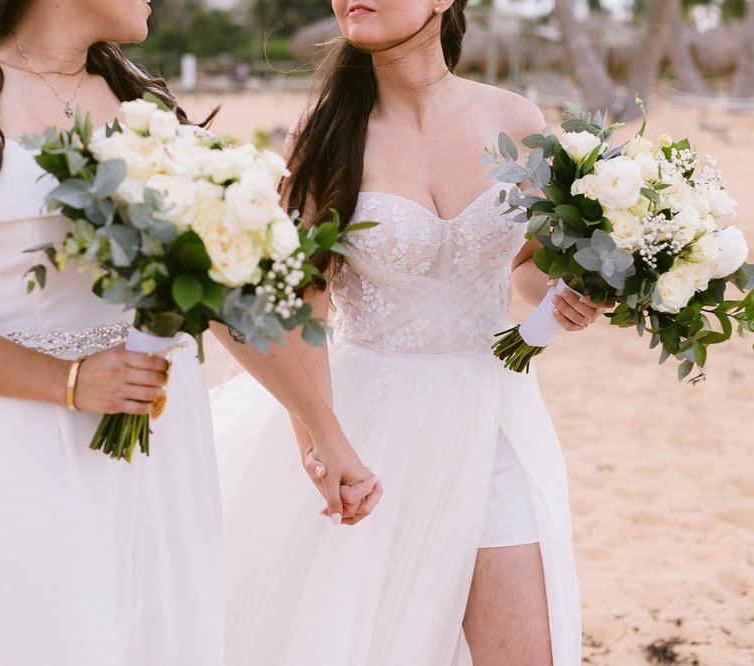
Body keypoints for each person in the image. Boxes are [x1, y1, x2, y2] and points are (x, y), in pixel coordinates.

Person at [0, 0, 377, 663]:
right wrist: (70, 381)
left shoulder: (140, 103)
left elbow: (217, 301)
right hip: (23, 452)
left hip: (165, 449)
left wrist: (322, 429)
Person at [212, 1, 609, 664]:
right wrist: (318, 445)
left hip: (497, 421)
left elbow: (528, 263)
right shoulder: (326, 134)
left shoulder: (516, 120)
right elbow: (303, 310)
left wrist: (573, 295)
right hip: (369, 433)